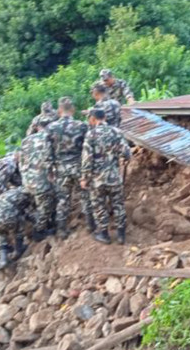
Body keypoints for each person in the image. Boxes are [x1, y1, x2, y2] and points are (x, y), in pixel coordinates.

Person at [80, 108, 131, 245]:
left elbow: (87, 159)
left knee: (99, 205)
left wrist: (84, 177)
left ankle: (104, 234)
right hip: (114, 176)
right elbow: (126, 152)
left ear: (93, 119)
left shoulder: (91, 135)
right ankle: (121, 235)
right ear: (105, 118)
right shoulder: (116, 132)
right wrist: (122, 160)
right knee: (118, 204)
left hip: (97, 179)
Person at [47, 97, 88, 238]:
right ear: (73, 110)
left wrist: (50, 169)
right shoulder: (82, 126)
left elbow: (48, 151)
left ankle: (62, 229)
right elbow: (87, 148)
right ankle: (90, 225)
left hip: (61, 168)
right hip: (78, 166)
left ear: (59, 111)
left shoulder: (51, 128)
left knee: (63, 199)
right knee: (84, 195)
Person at [19, 120, 55, 240]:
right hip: (41, 180)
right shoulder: (47, 138)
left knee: (36, 203)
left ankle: (40, 222)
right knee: (45, 206)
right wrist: (52, 175)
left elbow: (21, 161)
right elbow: (48, 159)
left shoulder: (26, 140)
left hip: (27, 180)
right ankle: (39, 231)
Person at [0, 187, 34, 268]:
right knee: (19, 225)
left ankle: (3, 259)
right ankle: (18, 250)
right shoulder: (25, 194)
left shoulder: (9, 193)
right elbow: (27, 212)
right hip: (4, 215)